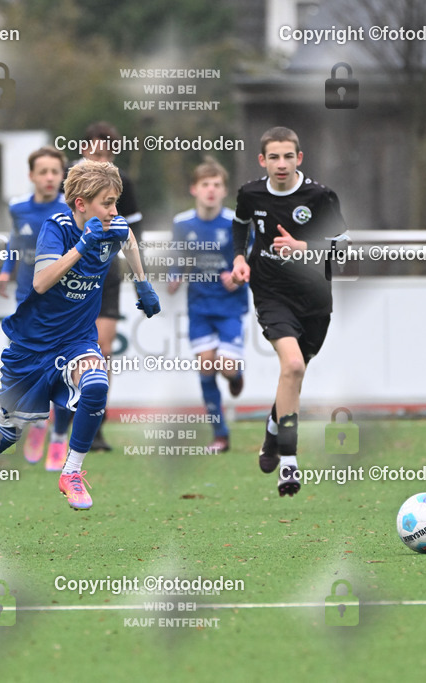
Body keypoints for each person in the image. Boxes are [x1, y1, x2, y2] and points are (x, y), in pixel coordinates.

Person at [0, 160, 160, 538]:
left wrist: (143, 284)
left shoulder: (111, 226)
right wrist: (82, 245)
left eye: (116, 203)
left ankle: (72, 471)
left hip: (77, 339)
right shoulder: (55, 228)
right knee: (8, 431)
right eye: (107, 203)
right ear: (80, 204)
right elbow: (41, 281)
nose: (114, 211)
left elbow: (128, 239)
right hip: (32, 347)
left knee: (96, 383)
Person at [230, 127, 348, 497]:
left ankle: (272, 428)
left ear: (300, 158)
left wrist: (304, 248)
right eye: (273, 157)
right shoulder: (250, 193)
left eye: (288, 156)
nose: (281, 164)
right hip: (270, 292)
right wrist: (238, 258)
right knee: (293, 366)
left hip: (314, 297)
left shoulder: (320, 196)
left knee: (294, 374)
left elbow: (343, 251)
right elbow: (240, 223)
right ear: (262, 161)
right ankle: (289, 461)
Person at [0, 146, 73, 469]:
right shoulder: (18, 208)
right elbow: (16, 240)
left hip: (64, 305)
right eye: (44, 172)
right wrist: (5, 269)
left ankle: (59, 437)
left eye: (56, 171)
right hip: (27, 302)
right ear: (32, 176)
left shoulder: (71, 209)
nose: (50, 178)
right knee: (33, 371)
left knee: (68, 373)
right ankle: (39, 424)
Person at [67, 121, 144, 451]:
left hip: (105, 275)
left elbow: (133, 231)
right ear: (84, 150)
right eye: (95, 151)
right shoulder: (69, 181)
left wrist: (141, 278)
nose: (101, 158)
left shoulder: (122, 182)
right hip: (69, 273)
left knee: (102, 350)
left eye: (107, 152)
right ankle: (63, 419)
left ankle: (94, 424)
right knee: (68, 352)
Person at [168, 158, 247, 453]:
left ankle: (236, 377)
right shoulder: (182, 223)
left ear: (224, 190)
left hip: (229, 305)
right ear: (194, 189)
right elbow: (177, 257)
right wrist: (174, 276)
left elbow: (248, 259)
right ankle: (220, 434)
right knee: (205, 365)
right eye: (205, 185)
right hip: (199, 305)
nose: (211, 190)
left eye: (216, 185)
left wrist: (238, 276)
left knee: (225, 367)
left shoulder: (235, 222)